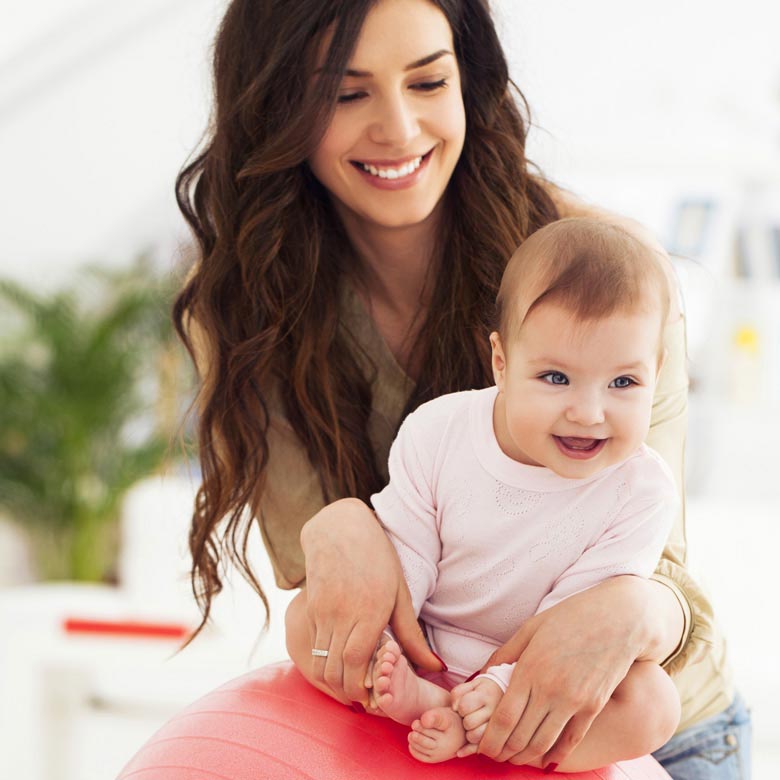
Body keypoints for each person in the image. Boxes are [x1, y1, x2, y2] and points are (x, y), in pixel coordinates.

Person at [173, 0, 750, 778]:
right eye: (347, 95)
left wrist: (643, 610)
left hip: (656, 737)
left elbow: (656, 553)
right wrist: (334, 528)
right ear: (277, 109)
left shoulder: (609, 278)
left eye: (428, 82)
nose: (400, 130)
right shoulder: (245, 313)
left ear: (467, 83)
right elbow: (331, 605)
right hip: (419, 724)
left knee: (651, 696)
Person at [289, 218, 682, 770]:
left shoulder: (642, 488)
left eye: (623, 383)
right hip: (423, 640)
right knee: (304, 619)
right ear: (502, 362)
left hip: (545, 679)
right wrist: (390, 648)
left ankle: (484, 734)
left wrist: (497, 690)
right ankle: (414, 701)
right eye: (555, 378)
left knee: (654, 707)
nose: (589, 413)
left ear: (656, 373)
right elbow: (405, 552)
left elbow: (574, 622)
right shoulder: (439, 429)